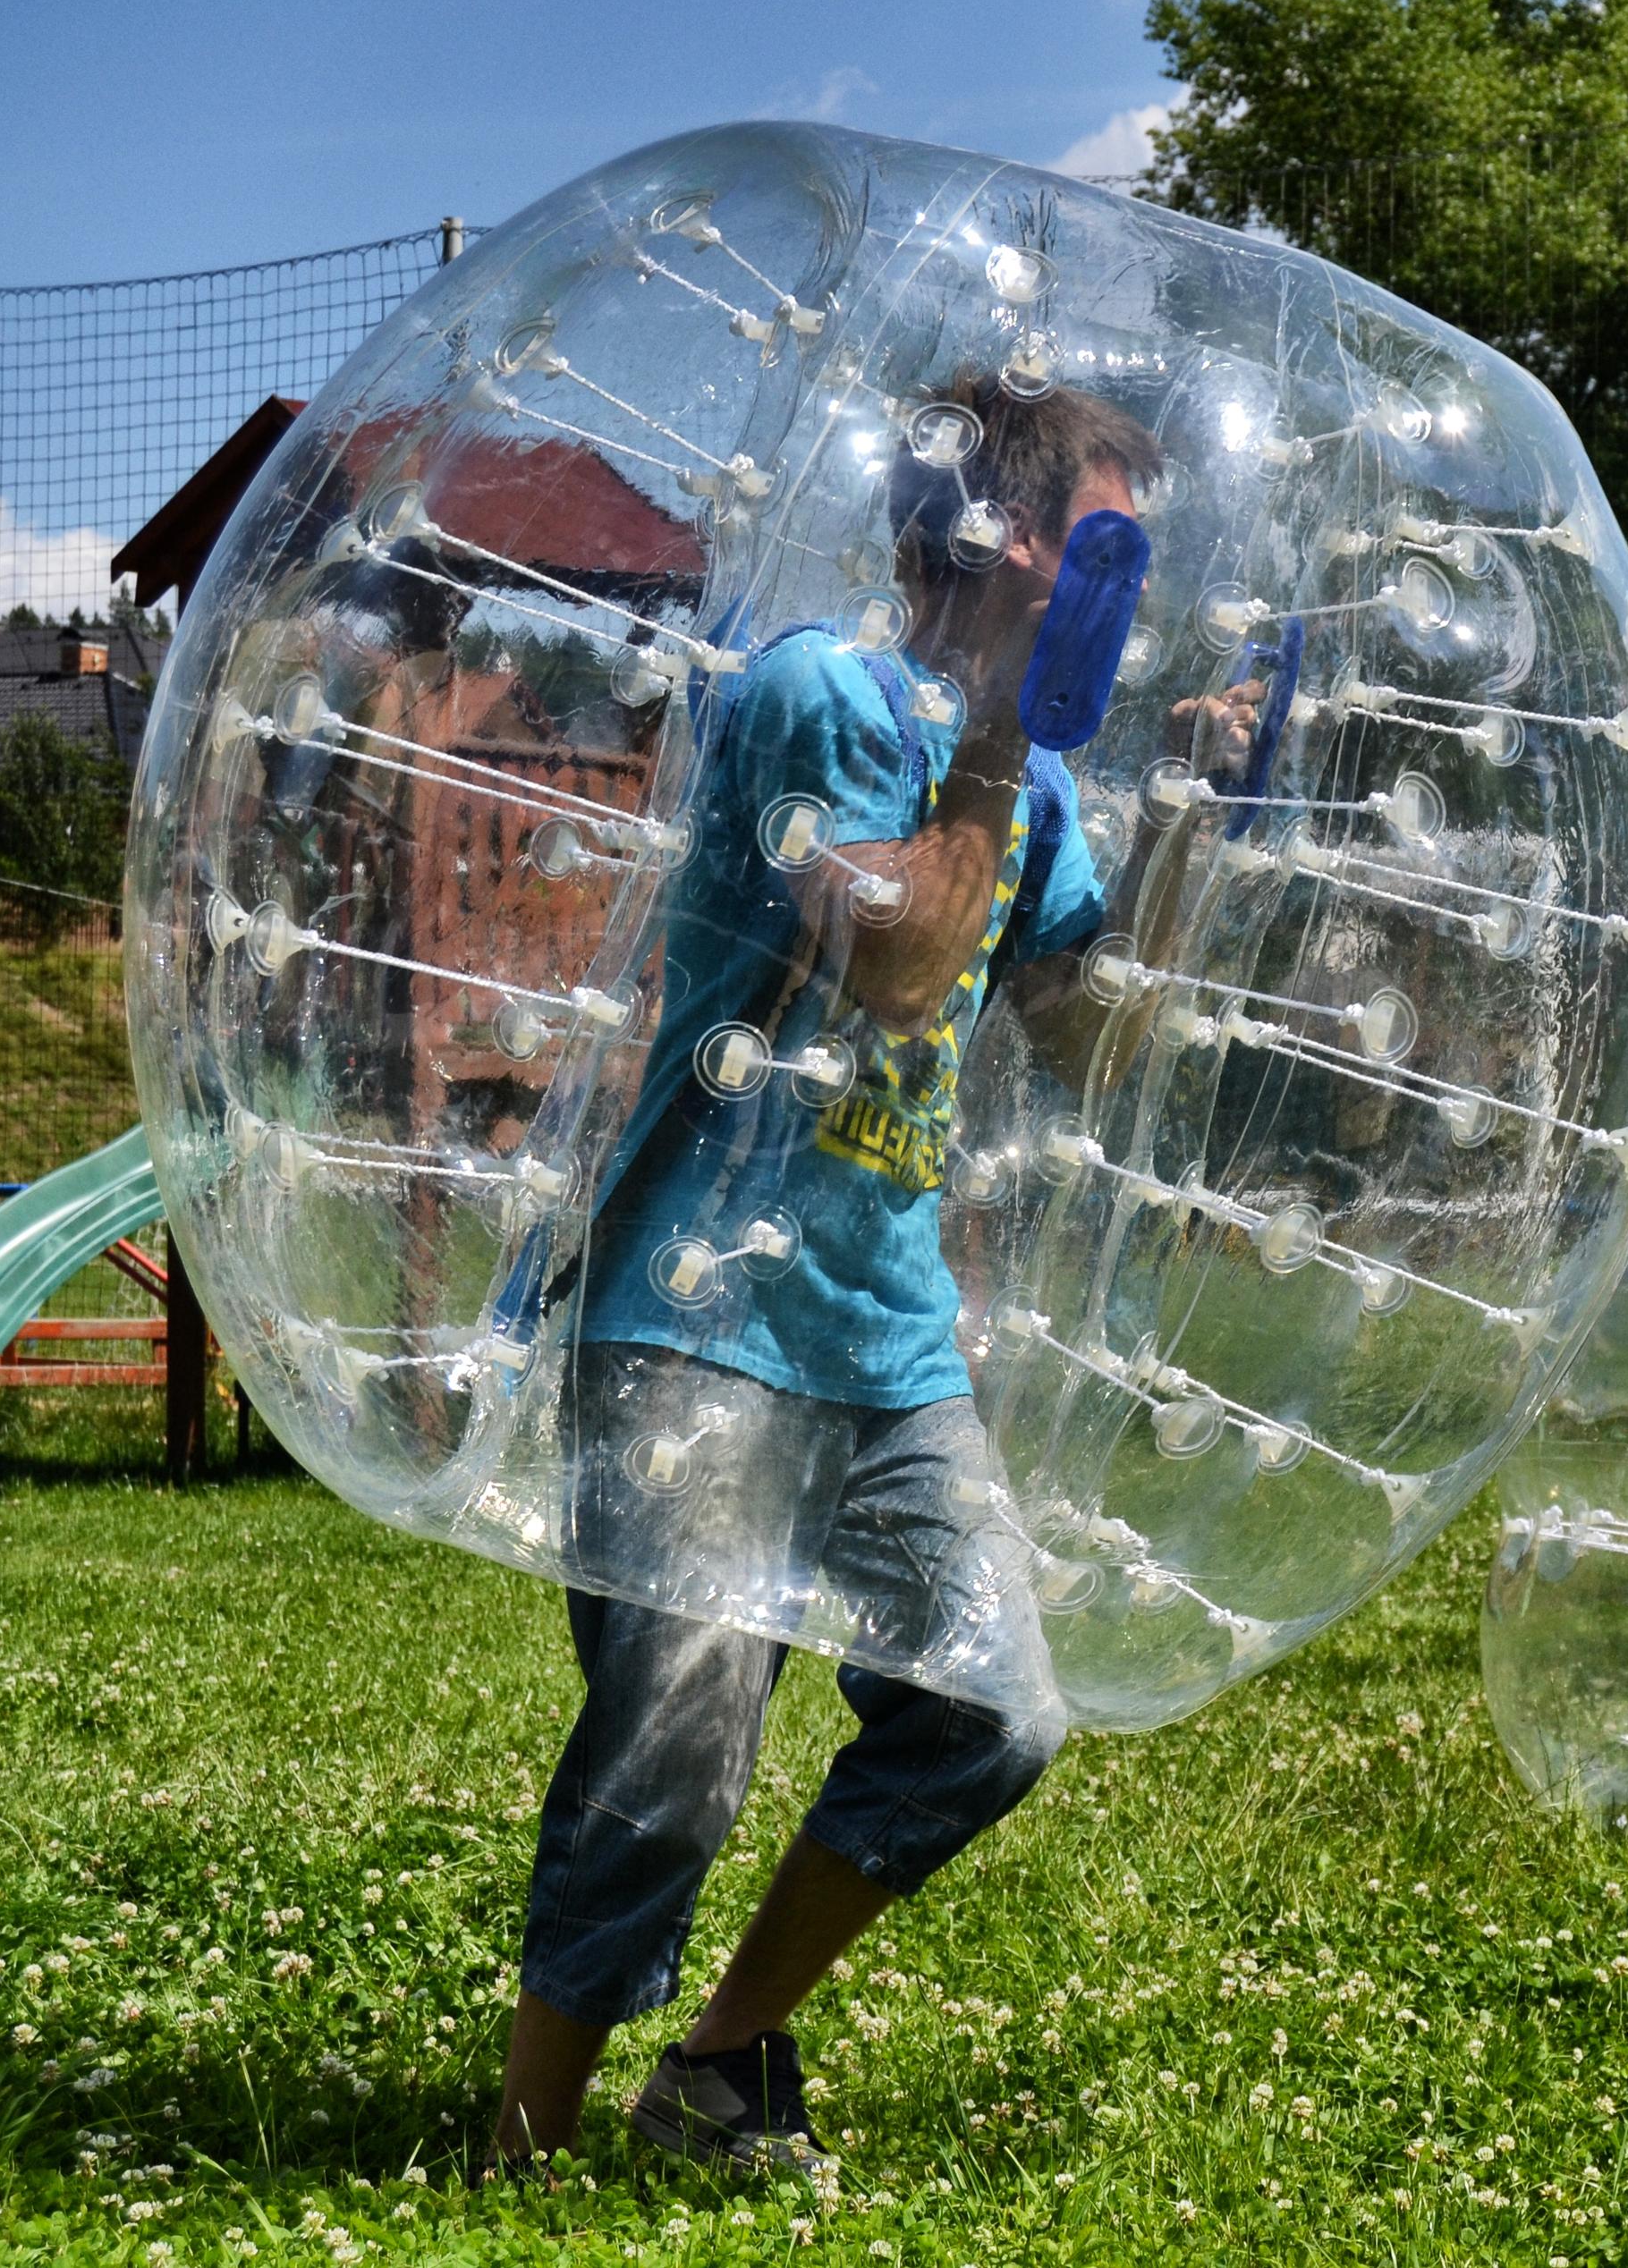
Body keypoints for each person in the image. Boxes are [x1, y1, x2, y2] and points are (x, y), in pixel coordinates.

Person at [490, 377, 1198, 2174]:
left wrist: (1202, 827)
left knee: (990, 1709)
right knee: (675, 1753)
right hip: (697, 1314)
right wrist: (984, 731)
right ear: (975, 548)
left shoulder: (1038, 790)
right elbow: (890, 960)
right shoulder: (816, 686)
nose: (1114, 600)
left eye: (1134, 564)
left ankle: (717, 2064)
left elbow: (1084, 1042)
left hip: (887, 1338)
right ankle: (515, 2139)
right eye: (1095, 554)